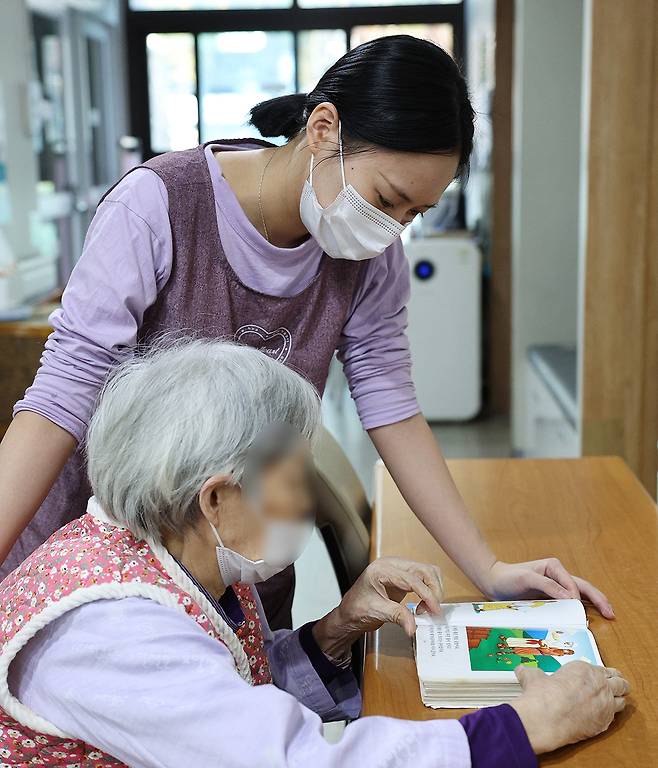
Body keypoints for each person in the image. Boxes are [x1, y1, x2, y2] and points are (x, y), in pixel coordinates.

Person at [0, 35, 614, 629]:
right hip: (107, 551)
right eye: (387, 197)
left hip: (236, 558)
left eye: (413, 214)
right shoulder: (158, 206)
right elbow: (63, 396)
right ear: (323, 130)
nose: (390, 230)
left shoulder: (372, 256)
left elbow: (391, 404)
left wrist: (488, 568)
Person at [0, 340, 629, 768]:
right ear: (217, 496)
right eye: (295, 479)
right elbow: (293, 760)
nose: (306, 504)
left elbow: (223, 689)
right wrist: (522, 728)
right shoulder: (112, 630)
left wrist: (334, 631)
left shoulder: (174, 546)